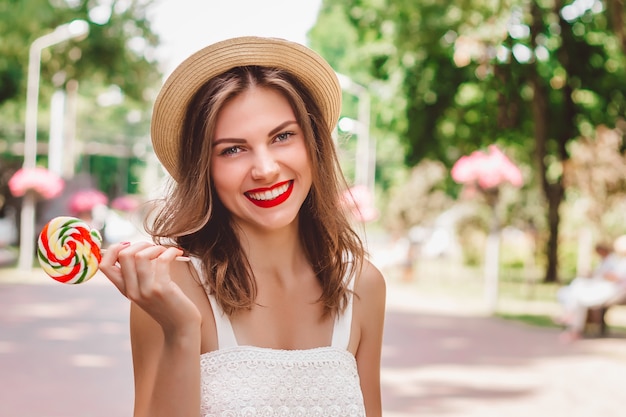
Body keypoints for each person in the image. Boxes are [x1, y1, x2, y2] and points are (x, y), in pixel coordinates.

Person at [99, 36, 386, 417]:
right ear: (206, 169)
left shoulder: (363, 285)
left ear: (312, 144)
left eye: (283, 136)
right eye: (233, 149)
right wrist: (181, 330)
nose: (265, 168)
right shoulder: (170, 290)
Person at [557, 236, 626, 342]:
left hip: (615, 291)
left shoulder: (617, 261)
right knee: (577, 287)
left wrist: (603, 275)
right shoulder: (619, 261)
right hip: (607, 288)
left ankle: (572, 322)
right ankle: (571, 319)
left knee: (579, 295)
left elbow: (616, 278)